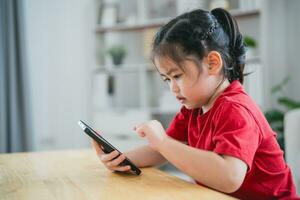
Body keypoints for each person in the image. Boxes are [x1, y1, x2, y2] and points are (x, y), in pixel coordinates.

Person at [92, 8, 299, 199]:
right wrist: (120, 159)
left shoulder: (236, 109)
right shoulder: (193, 109)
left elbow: (230, 177)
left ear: (212, 63)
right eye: (167, 79)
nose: (173, 88)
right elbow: (160, 151)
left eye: (177, 76)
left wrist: (163, 142)